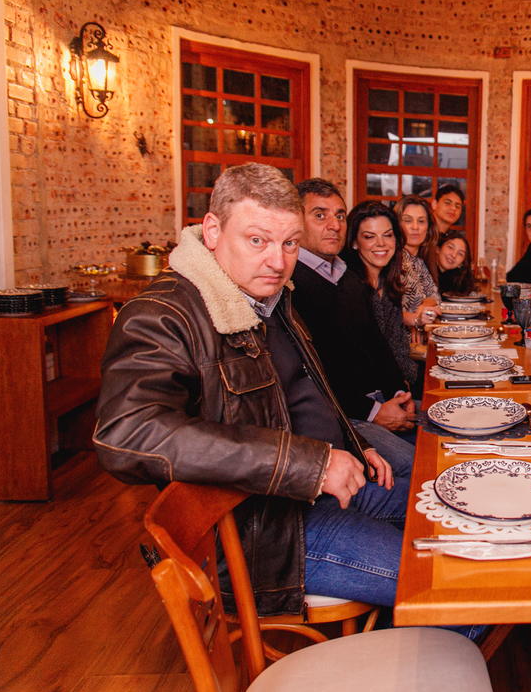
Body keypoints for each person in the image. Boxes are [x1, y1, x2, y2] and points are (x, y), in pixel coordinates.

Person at [93, 163, 411, 615]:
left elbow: (301, 393)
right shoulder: (163, 315)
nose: (278, 261)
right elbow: (126, 435)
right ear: (212, 230)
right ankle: (390, 673)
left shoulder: (269, 295)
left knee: (442, 511)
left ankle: (396, 648)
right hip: (265, 532)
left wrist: (354, 442)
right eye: (257, 240)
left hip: (319, 486)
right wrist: (311, 464)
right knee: (439, 580)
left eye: (289, 244)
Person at [290, 179, 418, 472]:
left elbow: (377, 342)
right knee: (420, 466)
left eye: (339, 215)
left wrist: (399, 392)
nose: (334, 224)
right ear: (296, 220)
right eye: (320, 215)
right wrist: (374, 412)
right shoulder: (290, 282)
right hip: (345, 416)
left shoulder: (346, 276)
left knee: (452, 423)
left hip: (378, 399)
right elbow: (313, 373)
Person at [341, 200, 423, 395]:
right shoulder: (350, 287)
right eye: (369, 236)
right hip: (367, 396)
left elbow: (398, 348)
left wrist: (405, 387)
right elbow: (357, 363)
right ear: (354, 242)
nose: (381, 243)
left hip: (399, 384)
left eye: (388, 235)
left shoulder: (388, 283)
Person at [394, 194, 441, 328]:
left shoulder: (419, 260)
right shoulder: (392, 259)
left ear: (428, 228)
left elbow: (435, 296)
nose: (415, 227)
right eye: (408, 220)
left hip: (421, 336)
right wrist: (415, 320)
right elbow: (382, 310)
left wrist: (423, 306)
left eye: (421, 221)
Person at [437, 229, 476, 296]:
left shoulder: (453, 282)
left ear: (461, 264)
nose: (454, 255)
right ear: (437, 249)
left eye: (460, 254)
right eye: (450, 247)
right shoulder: (422, 272)